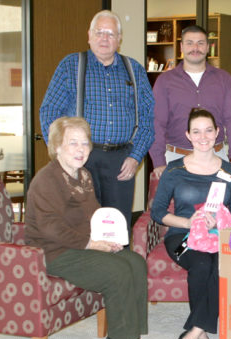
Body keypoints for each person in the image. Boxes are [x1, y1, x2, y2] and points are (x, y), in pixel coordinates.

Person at [25, 117, 157, 339]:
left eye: (85, 143)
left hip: (82, 244)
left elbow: (95, 214)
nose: (80, 149)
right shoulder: (46, 180)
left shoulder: (83, 175)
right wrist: (91, 244)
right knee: (117, 270)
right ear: (56, 147)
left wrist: (108, 238)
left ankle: (130, 333)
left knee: (135, 262)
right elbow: (49, 227)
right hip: (54, 253)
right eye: (72, 143)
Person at [39, 10, 155, 229]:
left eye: (111, 34)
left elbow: (149, 118)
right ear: (89, 35)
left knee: (117, 227)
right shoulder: (70, 66)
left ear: (119, 39)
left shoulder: (135, 70)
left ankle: (118, 264)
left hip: (122, 160)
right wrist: (61, 154)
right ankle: (87, 264)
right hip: (81, 157)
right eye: (99, 32)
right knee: (81, 224)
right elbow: (49, 111)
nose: (105, 38)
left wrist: (136, 156)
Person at [151, 108, 231, 339]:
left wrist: (222, 222)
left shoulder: (230, 172)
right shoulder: (174, 170)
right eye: (196, 131)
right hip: (181, 238)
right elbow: (157, 212)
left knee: (219, 264)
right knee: (202, 264)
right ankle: (200, 328)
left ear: (217, 134)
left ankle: (196, 329)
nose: (203, 137)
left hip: (218, 238)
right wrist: (188, 223)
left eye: (208, 131)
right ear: (188, 135)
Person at [150, 25, 231, 178]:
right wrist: (159, 162)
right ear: (181, 47)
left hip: (216, 158)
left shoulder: (223, 79)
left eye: (200, 43)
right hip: (176, 160)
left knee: (218, 202)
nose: (195, 48)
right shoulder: (164, 81)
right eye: (189, 43)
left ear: (208, 47)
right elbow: (156, 123)